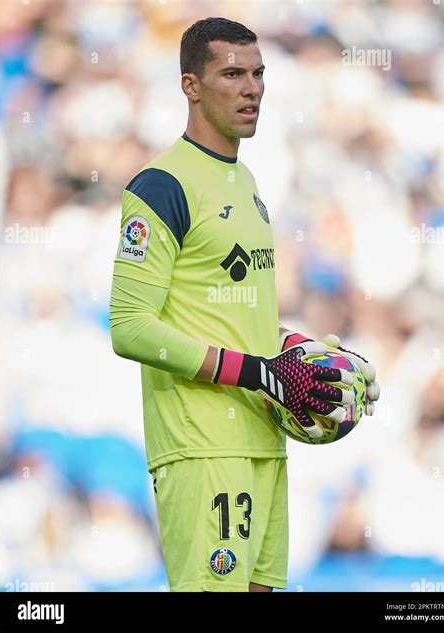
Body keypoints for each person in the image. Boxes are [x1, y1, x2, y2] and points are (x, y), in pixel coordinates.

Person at [109, 17, 379, 592]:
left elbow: (236, 313)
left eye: (258, 73)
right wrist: (258, 371)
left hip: (264, 441)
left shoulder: (247, 181)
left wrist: (297, 351)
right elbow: (129, 328)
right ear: (191, 85)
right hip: (202, 449)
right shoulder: (160, 187)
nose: (251, 88)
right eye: (232, 73)